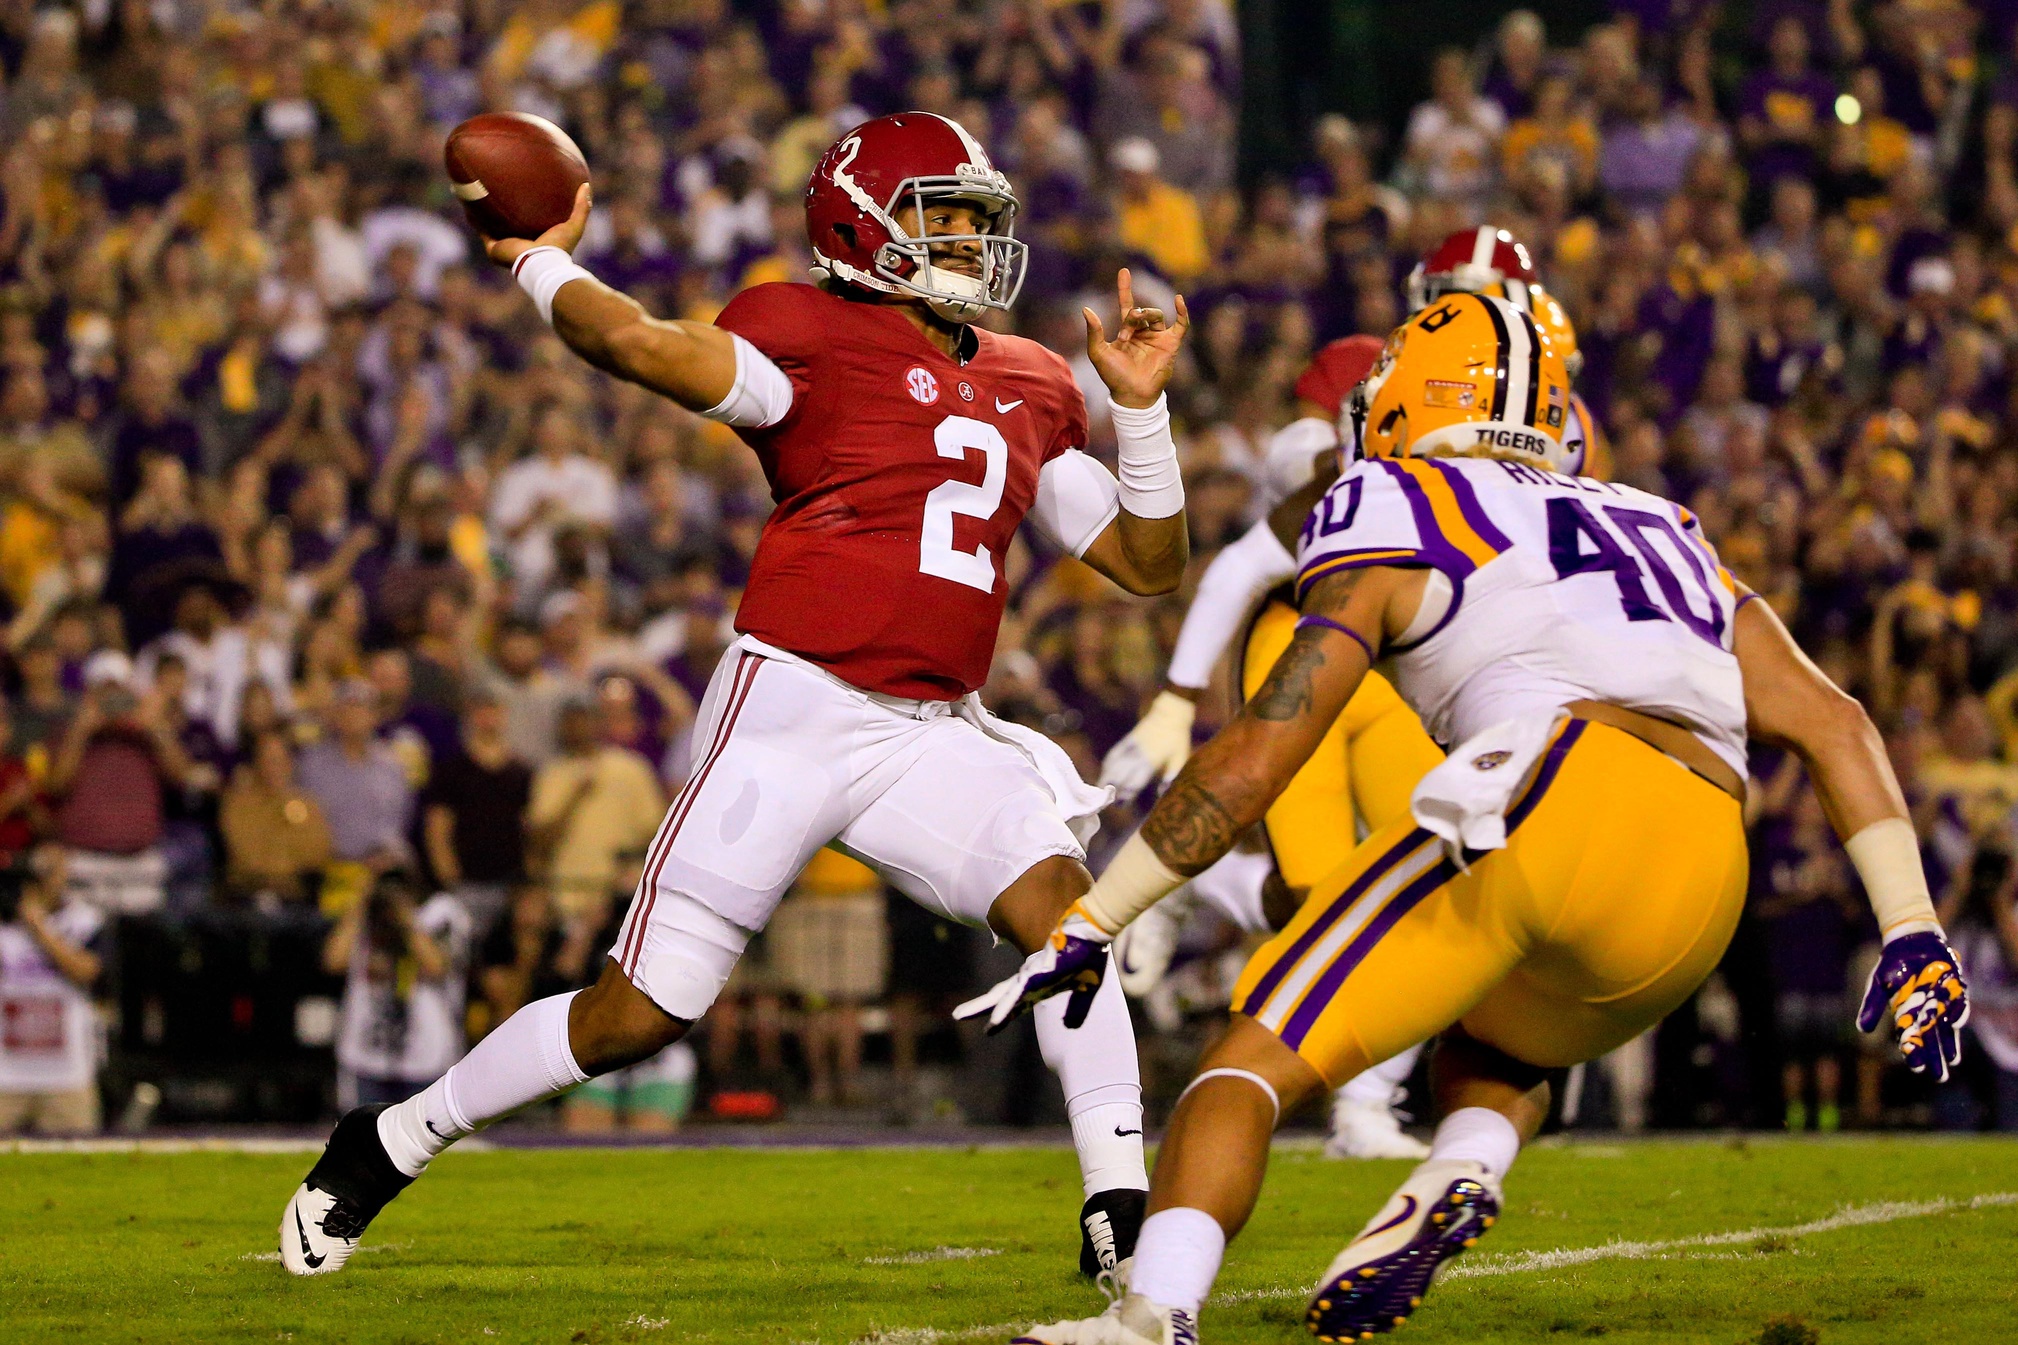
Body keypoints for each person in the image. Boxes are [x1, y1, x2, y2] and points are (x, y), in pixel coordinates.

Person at [280, 111, 1191, 1280]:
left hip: (931, 730)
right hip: (794, 711)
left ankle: (1118, 1203)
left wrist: (1143, 412)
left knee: (1072, 921)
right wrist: (540, 258)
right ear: (863, 226)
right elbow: (646, 348)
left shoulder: (1030, 378)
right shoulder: (806, 333)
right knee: (636, 1014)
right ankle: (394, 1136)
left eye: (975, 220)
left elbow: (1144, 566)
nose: (969, 243)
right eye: (943, 218)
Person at [984, 294, 1971, 1344]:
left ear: (1410, 398)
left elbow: (1260, 753)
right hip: (1697, 880)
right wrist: (1910, 926)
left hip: (1552, 795)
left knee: (1248, 1059)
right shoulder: (1659, 521)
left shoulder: (1387, 493)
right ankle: (1456, 1167)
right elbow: (1835, 721)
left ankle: (1149, 1316)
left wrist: (1095, 916)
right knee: (1498, 1043)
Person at [325, 870, 470, 1109]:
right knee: (363, 1141)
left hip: (427, 1056)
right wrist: (363, 903)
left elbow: (436, 966)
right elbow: (333, 960)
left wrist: (405, 918)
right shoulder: (365, 918)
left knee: (425, 1141)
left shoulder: (442, 912)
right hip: (367, 1054)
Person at [0, 846, 105, 1135]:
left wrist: (39, 927)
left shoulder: (85, 921)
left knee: (78, 1162)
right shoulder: (5, 925)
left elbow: (86, 972)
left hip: (66, 1075)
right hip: (7, 1073)